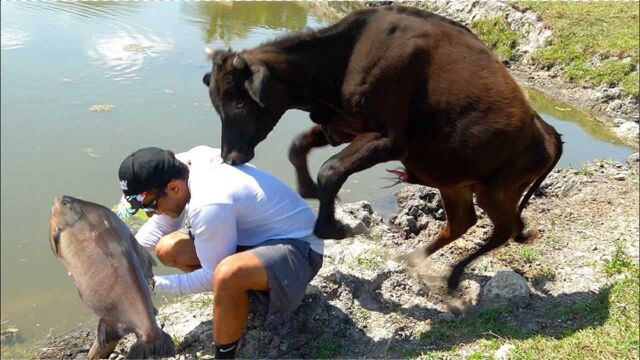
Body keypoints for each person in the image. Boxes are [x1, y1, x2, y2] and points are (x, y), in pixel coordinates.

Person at [117, 145, 323, 359]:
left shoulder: (209, 203)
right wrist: (127, 260)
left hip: (301, 249)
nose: (151, 215)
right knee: (168, 249)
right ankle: (236, 299)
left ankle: (225, 355)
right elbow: (162, 225)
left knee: (225, 274)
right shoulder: (182, 165)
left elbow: (211, 276)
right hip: (255, 236)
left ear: (173, 188)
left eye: (151, 207)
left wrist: (149, 284)